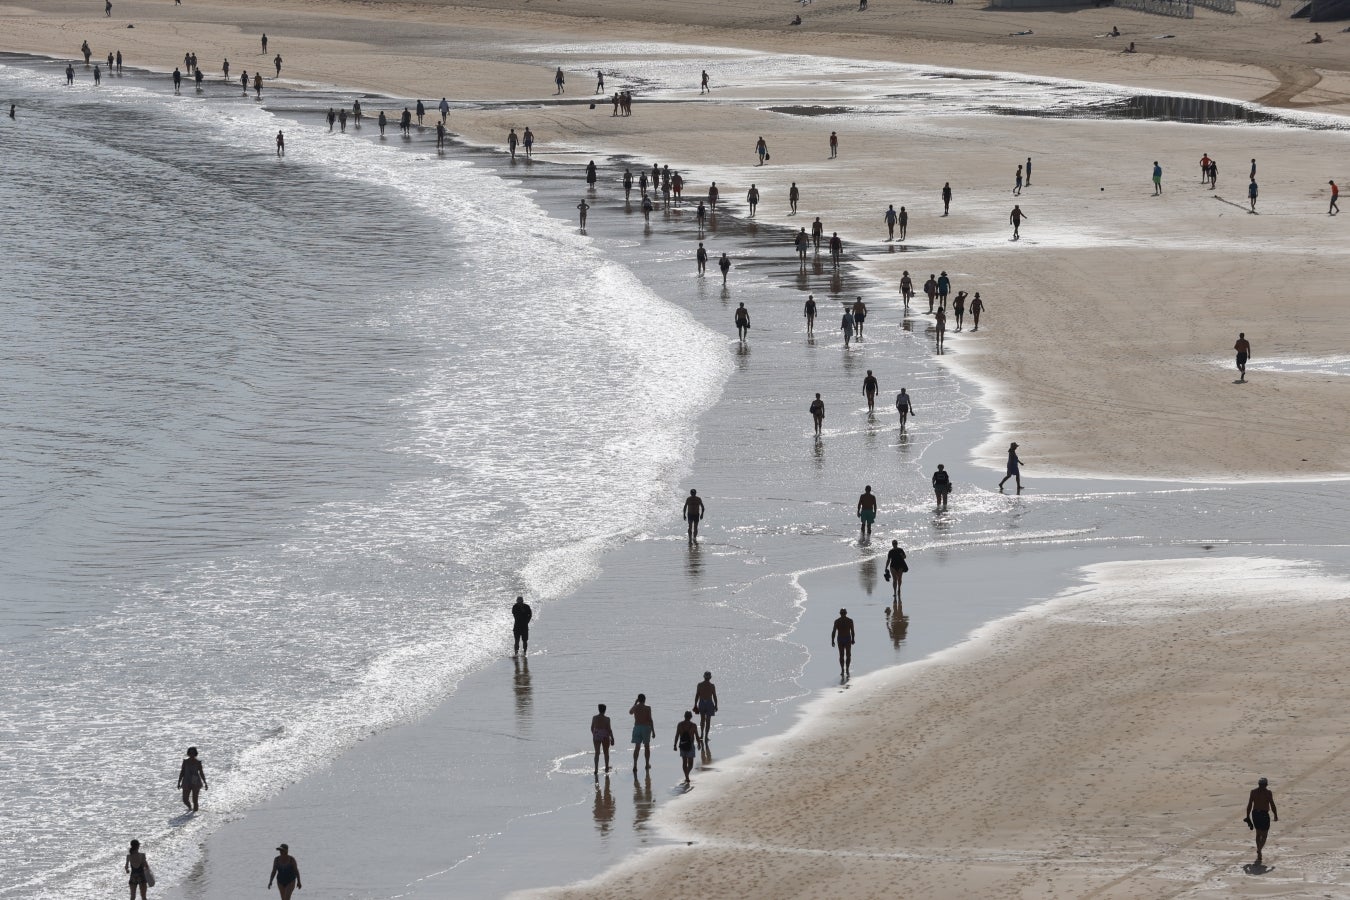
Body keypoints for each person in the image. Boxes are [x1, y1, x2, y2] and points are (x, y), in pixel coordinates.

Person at [1245, 777, 1278, 864]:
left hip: (1255, 814)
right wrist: (1275, 815)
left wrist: (1247, 816)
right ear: (1266, 785)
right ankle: (1259, 850)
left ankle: (1259, 851)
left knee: (1258, 833)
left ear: (1259, 784)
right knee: (1264, 835)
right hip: (1264, 814)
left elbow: (1249, 805)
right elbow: (1272, 804)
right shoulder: (1268, 793)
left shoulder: (1253, 792)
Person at [673, 711, 701, 783]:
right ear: (691, 717)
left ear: (684, 716)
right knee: (690, 764)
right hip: (690, 745)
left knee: (684, 762)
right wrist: (699, 744)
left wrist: (675, 745)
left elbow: (677, 735)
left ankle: (686, 776)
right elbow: (697, 736)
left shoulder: (680, 724)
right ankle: (687, 775)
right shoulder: (693, 725)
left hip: (682, 745)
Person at [629, 694, 655, 770]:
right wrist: (653, 731)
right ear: (645, 699)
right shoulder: (647, 708)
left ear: (638, 700)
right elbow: (650, 720)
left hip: (637, 727)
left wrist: (635, 703)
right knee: (647, 747)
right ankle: (647, 764)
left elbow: (630, 712)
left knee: (637, 747)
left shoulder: (635, 707)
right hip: (646, 728)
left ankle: (635, 765)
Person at [178, 747, 207, 812]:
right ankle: (190, 808)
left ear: (195, 754)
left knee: (195, 800)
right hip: (186, 781)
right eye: (190, 753)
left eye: (193, 753)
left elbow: (201, 773)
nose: (191, 754)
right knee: (185, 799)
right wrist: (179, 782)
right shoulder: (185, 762)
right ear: (188, 753)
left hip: (195, 781)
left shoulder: (198, 762)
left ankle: (194, 815)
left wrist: (205, 782)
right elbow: (182, 772)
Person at [694, 672, 718, 742]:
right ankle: (706, 736)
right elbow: (714, 696)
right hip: (709, 703)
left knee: (702, 719)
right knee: (708, 720)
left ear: (704, 677)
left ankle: (701, 734)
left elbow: (697, 695)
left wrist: (695, 704)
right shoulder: (712, 686)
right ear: (710, 677)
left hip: (702, 702)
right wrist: (716, 705)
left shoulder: (699, 685)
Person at [830, 608, 855, 678]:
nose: (843, 614)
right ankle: (845, 669)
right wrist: (853, 639)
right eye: (843, 613)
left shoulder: (837, 621)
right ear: (845, 613)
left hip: (842, 639)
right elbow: (852, 631)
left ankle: (844, 669)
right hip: (846, 639)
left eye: (843, 613)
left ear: (841, 613)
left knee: (843, 655)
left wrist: (832, 640)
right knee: (847, 655)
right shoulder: (849, 621)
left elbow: (834, 631)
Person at [591, 703, 614, 774]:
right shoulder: (607, 719)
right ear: (605, 710)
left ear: (598, 709)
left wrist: (594, 734)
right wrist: (612, 738)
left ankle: (596, 769)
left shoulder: (594, 717)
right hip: (605, 736)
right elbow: (609, 729)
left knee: (597, 752)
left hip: (597, 734)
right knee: (606, 752)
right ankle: (606, 768)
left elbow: (592, 728)